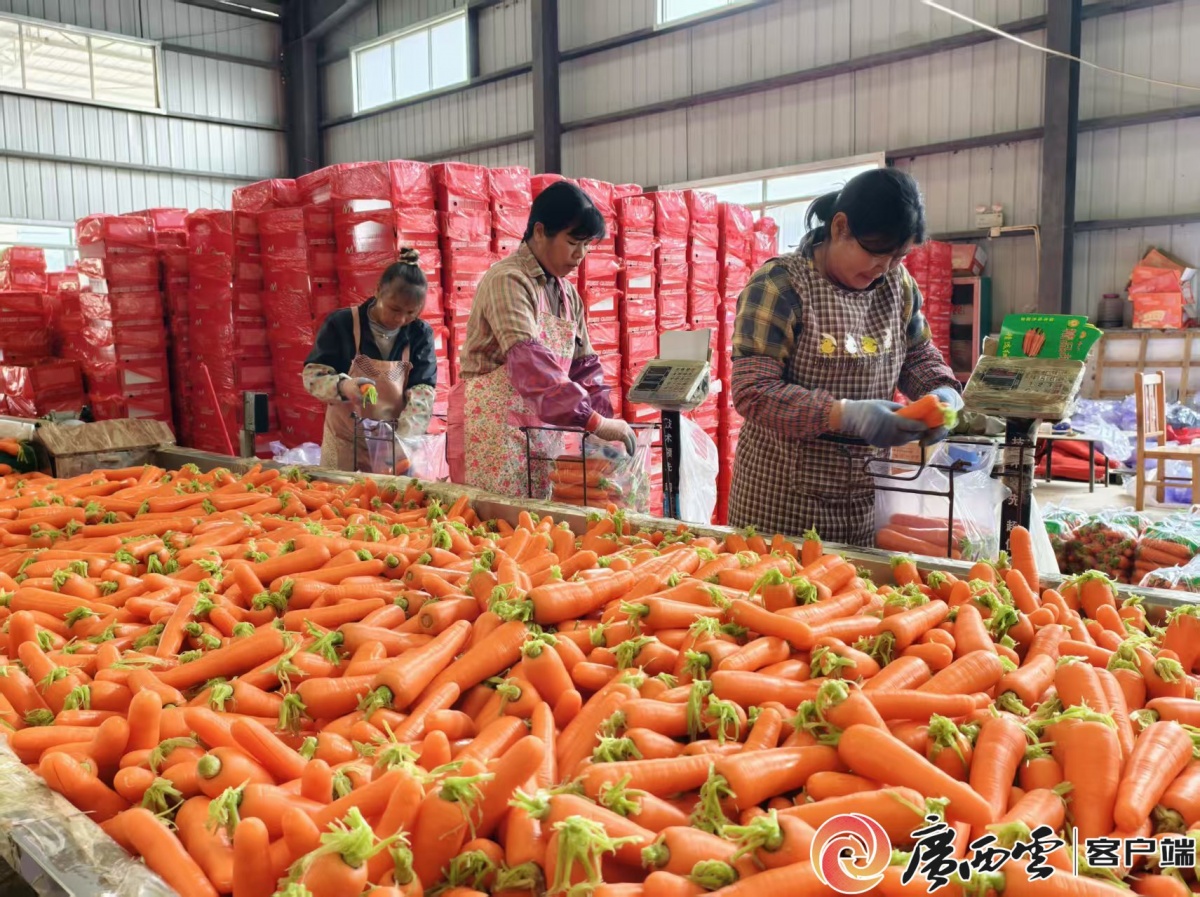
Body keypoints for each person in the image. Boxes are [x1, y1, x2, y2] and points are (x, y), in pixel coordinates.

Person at [728, 168, 963, 545]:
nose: (884, 268)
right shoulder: (780, 286)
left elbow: (918, 356)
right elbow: (753, 391)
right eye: (876, 253)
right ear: (840, 228)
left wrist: (943, 393)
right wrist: (845, 414)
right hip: (780, 506)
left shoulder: (898, 287)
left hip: (862, 503)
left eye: (898, 257)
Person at [447, 180, 633, 498]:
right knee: (493, 520)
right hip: (493, 433)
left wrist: (604, 424)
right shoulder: (509, 280)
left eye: (587, 245)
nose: (580, 255)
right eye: (573, 242)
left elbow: (585, 367)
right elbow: (529, 363)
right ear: (540, 231)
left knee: (539, 519)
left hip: (541, 433)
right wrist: (593, 421)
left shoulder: (568, 295)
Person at [303, 249, 437, 471]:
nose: (400, 319)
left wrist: (404, 440)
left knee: (393, 493)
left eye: (411, 313)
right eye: (394, 309)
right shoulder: (342, 323)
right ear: (377, 290)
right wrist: (344, 387)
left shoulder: (420, 333)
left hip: (393, 447)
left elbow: (423, 391)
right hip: (345, 441)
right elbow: (312, 376)